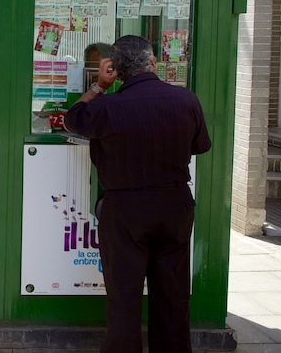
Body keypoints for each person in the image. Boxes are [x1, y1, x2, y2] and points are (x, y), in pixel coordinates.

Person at [64, 35, 211, 353]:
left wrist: (99, 86)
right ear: (153, 63)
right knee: (172, 294)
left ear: (115, 70)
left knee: (124, 295)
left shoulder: (107, 106)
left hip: (126, 208)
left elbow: (73, 119)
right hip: (174, 204)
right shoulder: (186, 100)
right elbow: (201, 146)